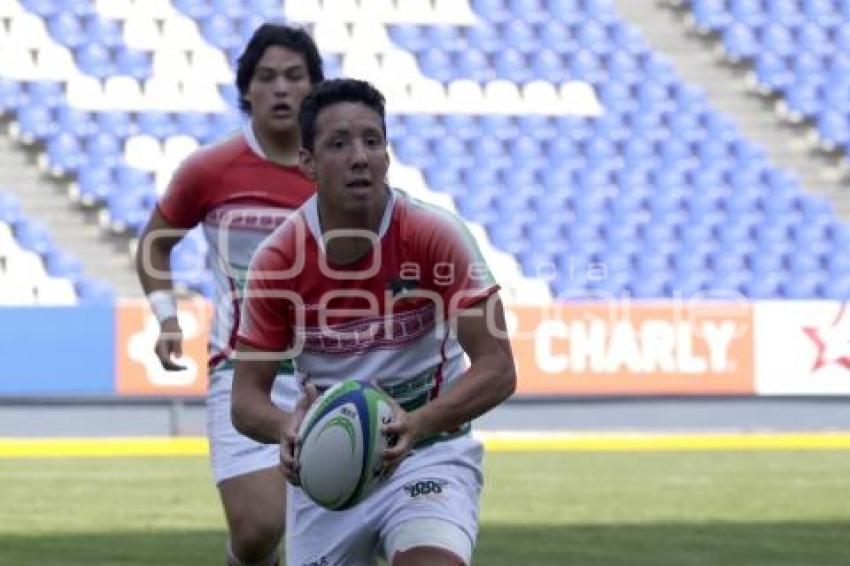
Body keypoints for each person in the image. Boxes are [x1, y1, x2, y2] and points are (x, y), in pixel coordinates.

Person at [231, 78, 517, 566]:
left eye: (372, 140)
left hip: (429, 454)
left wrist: (419, 423)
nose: (360, 156)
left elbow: (498, 367)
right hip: (327, 472)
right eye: (338, 144)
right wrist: (287, 429)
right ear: (308, 162)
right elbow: (245, 400)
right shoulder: (278, 258)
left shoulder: (433, 234)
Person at [134, 23, 324, 566]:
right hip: (242, 370)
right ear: (247, 91)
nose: (282, 89)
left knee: (337, 531)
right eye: (267, 78)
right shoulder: (210, 169)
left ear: (315, 87)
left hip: (332, 371)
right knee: (259, 528)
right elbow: (154, 245)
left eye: (294, 76)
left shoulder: (341, 169)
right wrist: (167, 316)